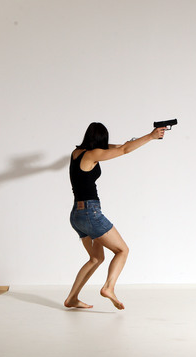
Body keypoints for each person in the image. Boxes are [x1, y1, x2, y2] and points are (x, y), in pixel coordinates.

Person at [64, 122, 165, 310]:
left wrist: (136, 140)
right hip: (90, 213)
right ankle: (109, 288)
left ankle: (72, 298)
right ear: (102, 139)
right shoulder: (93, 155)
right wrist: (151, 136)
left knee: (95, 258)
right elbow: (125, 150)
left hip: (76, 215)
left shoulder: (77, 153)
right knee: (122, 251)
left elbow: (120, 146)